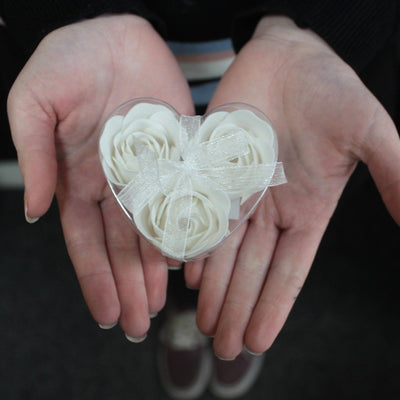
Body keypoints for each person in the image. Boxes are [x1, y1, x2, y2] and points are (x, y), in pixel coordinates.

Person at [1, 1, 399, 398]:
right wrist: (79, 13)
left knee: (261, 236)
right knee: (158, 245)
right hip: (114, 80)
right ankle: (184, 309)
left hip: (287, 93)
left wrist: (312, 26)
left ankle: (213, 309)